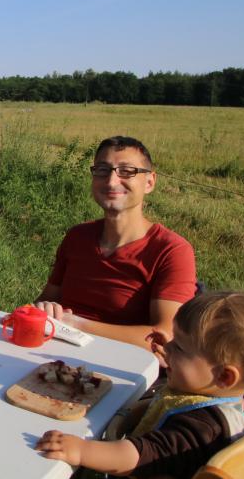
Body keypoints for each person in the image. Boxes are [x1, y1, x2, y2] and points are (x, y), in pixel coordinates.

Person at [35, 290, 244, 478]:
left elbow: (137, 456)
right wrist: (174, 349)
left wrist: (82, 451)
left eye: (179, 347)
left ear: (225, 377)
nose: (168, 348)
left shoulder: (203, 426)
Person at [34, 136, 197, 350]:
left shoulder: (170, 250)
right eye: (102, 170)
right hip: (53, 353)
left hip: (122, 363)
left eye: (127, 171)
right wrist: (44, 309)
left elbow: (166, 335)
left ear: (149, 182)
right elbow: (46, 300)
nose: (111, 181)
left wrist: (75, 325)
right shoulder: (77, 236)